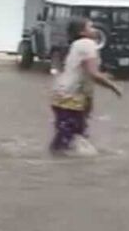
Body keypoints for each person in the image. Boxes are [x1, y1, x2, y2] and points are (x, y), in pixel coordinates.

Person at [50, 17, 122, 155]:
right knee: (70, 139)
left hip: (63, 95)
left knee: (69, 137)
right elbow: (93, 74)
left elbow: (84, 75)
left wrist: (88, 103)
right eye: (90, 27)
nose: (95, 29)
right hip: (70, 98)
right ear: (82, 32)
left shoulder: (77, 44)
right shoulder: (88, 44)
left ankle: (59, 161)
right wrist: (114, 86)